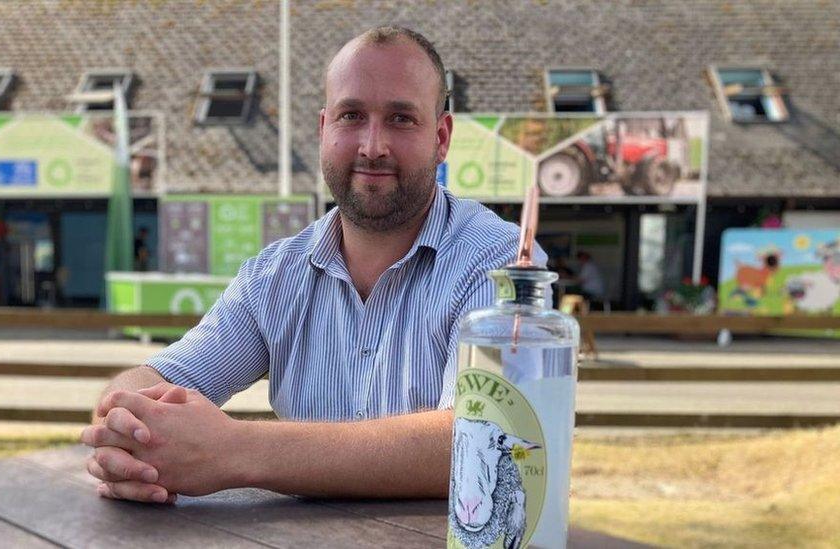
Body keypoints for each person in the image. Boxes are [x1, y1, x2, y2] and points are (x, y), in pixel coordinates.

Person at [81, 26, 547, 504]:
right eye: (351, 116)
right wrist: (122, 428)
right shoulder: (274, 277)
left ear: (442, 137)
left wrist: (235, 450)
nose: (372, 146)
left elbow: (482, 439)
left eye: (401, 119)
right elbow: (154, 380)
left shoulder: (501, 263)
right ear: (324, 129)